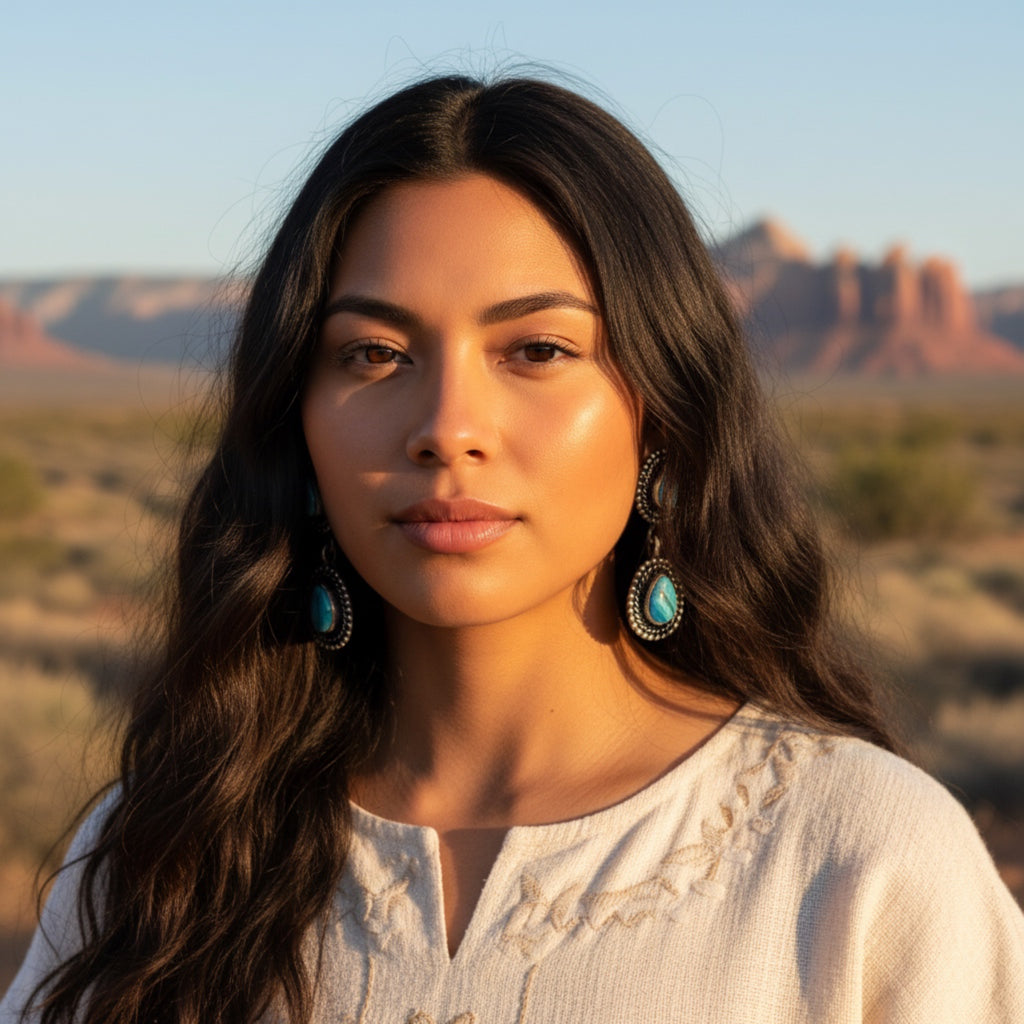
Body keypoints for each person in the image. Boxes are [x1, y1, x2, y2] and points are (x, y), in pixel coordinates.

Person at [2, 74, 1022, 1024]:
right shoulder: (166, 844)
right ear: (296, 422)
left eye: (537, 349)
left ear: (659, 411)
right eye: (374, 353)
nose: (447, 424)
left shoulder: (855, 861)